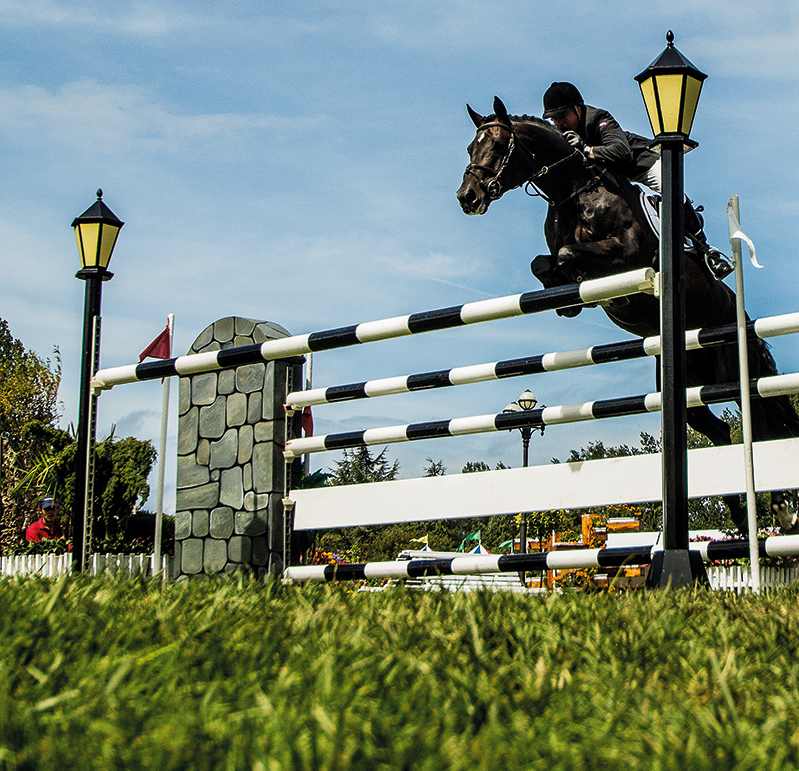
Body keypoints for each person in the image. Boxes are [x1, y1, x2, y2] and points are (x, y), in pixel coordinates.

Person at [541, 81, 733, 280]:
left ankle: (705, 250)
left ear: (578, 109)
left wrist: (588, 149)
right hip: (614, 178)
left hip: (640, 164)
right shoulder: (563, 135)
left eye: (563, 116)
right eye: (554, 119)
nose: (559, 123)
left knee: (672, 189)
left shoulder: (598, 118)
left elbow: (622, 152)